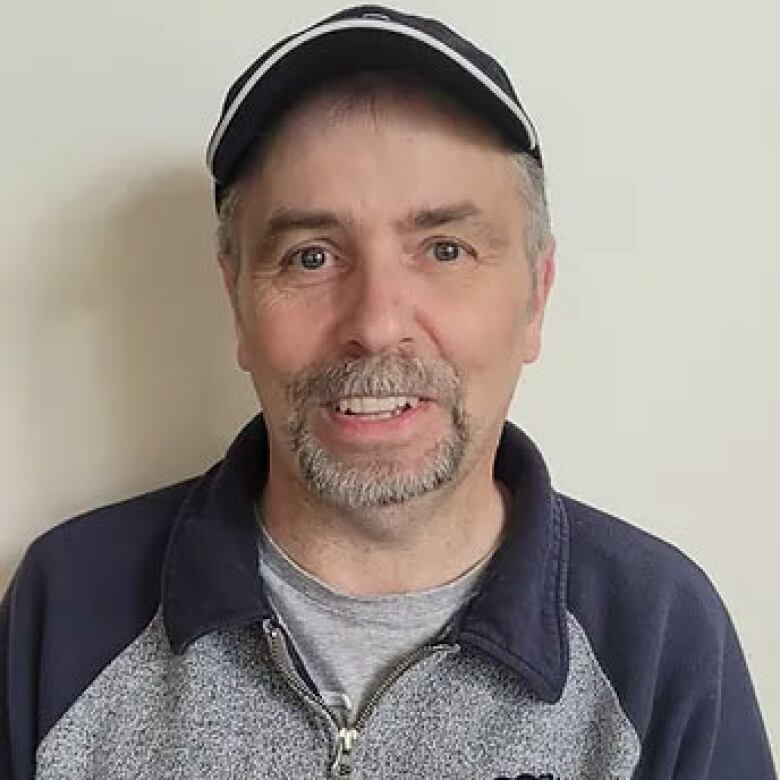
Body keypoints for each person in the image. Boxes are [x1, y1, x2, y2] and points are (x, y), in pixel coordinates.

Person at [1, 5, 775, 779]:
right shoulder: (68, 611)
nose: (374, 324)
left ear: (536, 298)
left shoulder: (661, 637)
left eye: (445, 248)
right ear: (237, 302)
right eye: (310, 257)